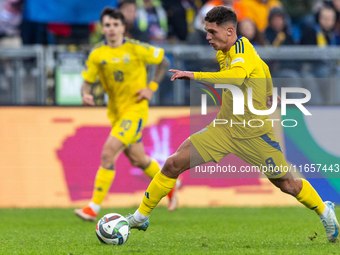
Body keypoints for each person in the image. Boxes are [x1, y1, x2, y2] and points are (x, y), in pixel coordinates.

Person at [126, 6, 340, 243]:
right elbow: (263, 67)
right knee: (172, 163)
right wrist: (268, 92)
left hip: (255, 135)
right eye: (206, 31)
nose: (207, 37)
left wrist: (195, 75)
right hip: (224, 129)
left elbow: (236, 77)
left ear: (229, 31)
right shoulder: (224, 51)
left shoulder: (243, 50)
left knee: (287, 184)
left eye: (211, 32)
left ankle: (324, 211)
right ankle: (139, 217)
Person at [75, 7, 181, 221]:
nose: (112, 29)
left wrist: (151, 88)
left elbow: (165, 62)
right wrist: (85, 95)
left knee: (108, 153)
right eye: (107, 25)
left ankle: (93, 207)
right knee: (138, 159)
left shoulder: (135, 49)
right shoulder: (97, 54)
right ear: (102, 28)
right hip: (116, 114)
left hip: (136, 110)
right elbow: (87, 83)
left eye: (115, 25)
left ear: (123, 27)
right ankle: (171, 185)